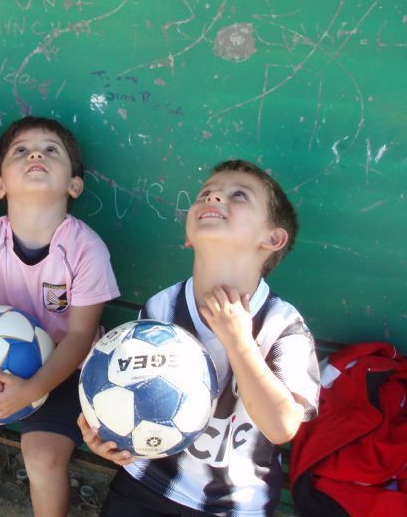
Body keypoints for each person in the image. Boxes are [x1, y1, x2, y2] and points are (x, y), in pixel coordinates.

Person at [78, 159, 321, 517]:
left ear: (272, 238)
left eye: (238, 195)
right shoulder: (162, 306)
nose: (215, 198)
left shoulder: (283, 324)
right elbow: (129, 394)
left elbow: (282, 426)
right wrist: (107, 434)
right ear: (189, 236)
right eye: (206, 193)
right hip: (146, 482)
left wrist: (239, 341)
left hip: (234, 505)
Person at [0, 116, 120, 517]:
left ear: (74, 185)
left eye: (51, 151)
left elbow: (79, 336)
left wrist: (31, 388)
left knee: (42, 455)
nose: (36, 154)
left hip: (66, 369)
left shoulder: (87, 249)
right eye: (21, 151)